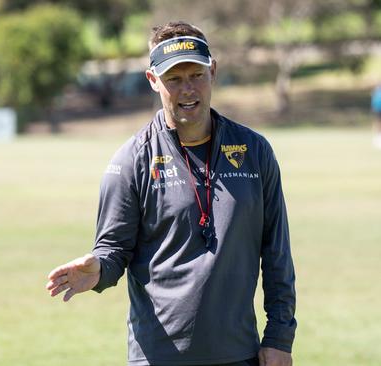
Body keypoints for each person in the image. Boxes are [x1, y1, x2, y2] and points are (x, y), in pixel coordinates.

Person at [46, 21, 296, 366]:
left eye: (196, 75)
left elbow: (277, 253)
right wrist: (99, 268)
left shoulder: (255, 151)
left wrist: (280, 337)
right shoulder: (132, 160)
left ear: (213, 72)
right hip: (157, 357)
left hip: (240, 354)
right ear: (153, 81)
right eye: (174, 80)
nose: (187, 90)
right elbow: (114, 249)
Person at [371, 85, 381, 149]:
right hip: (378, 109)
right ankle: (377, 137)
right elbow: (374, 101)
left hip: (377, 109)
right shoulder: (377, 91)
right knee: (378, 122)